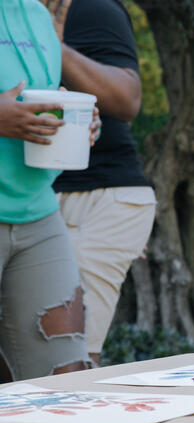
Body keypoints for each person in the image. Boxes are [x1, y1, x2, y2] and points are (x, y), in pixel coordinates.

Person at [48, 0, 156, 366]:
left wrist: (55, 47)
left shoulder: (93, 9)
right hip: (32, 198)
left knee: (68, 352)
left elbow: (127, 99)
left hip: (102, 199)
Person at [0, 0, 99, 380]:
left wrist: (82, 122)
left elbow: (43, 99)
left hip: (39, 215)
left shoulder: (39, 16)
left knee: (66, 377)